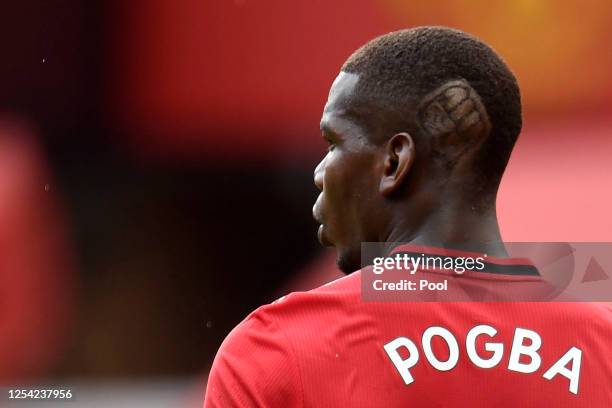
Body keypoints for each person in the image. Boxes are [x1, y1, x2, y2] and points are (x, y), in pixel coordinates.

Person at [203, 26, 612, 407]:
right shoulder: (603, 346)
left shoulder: (278, 352)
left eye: (334, 143)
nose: (319, 172)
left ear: (394, 161)